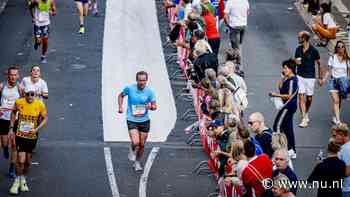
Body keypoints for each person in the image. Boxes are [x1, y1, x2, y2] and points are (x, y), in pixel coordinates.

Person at [8, 86, 48, 195]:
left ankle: (23, 179)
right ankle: (16, 182)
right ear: (24, 94)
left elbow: (45, 118)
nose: (30, 96)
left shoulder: (40, 104)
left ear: (35, 95)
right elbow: (13, 112)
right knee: (20, 160)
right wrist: (11, 128)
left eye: (32, 94)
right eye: (28, 94)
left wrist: (36, 129)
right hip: (20, 135)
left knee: (28, 162)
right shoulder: (19, 102)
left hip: (32, 137)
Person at [118, 71, 157, 171]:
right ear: (137, 80)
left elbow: (154, 106)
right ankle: (132, 149)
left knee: (142, 145)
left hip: (144, 120)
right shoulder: (130, 89)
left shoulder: (149, 92)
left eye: (144, 80)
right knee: (136, 142)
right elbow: (120, 95)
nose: (142, 82)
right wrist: (120, 107)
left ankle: (137, 162)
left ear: (146, 80)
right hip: (132, 119)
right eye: (140, 80)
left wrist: (150, 107)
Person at [270, 60, 298, 158]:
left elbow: (289, 96)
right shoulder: (287, 78)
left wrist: (275, 95)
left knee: (277, 126)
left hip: (288, 106)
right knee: (288, 128)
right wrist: (282, 78)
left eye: (285, 68)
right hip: (287, 105)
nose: (283, 70)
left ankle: (279, 149)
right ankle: (291, 150)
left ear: (291, 69)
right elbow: (280, 87)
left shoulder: (292, 80)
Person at [294, 31, 321, 128]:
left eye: (299, 37)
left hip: (310, 77)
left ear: (304, 38)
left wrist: (320, 77)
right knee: (301, 96)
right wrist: (296, 62)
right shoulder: (298, 49)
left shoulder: (314, 50)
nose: (298, 39)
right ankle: (304, 118)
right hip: (300, 76)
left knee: (309, 98)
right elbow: (296, 61)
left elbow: (319, 63)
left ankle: (306, 112)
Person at [320, 40, 350, 125]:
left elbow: (348, 73)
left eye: (342, 47)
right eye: (338, 47)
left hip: (343, 82)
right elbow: (329, 71)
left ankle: (335, 117)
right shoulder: (333, 57)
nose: (340, 48)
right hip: (333, 82)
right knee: (336, 101)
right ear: (336, 48)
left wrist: (347, 84)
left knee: (339, 101)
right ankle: (338, 120)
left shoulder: (347, 59)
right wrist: (324, 80)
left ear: (344, 48)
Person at [0, 66, 22, 178]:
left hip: (16, 119)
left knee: (14, 145)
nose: (13, 77)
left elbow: (25, 102)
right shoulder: (1, 86)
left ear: (18, 76)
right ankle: (4, 147)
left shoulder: (20, 88)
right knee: (5, 143)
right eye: (11, 74)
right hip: (3, 118)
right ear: (7, 75)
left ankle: (12, 167)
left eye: (15, 75)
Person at [332, 123, 350, 197]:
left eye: (335, 135)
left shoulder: (345, 150)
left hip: (345, 189)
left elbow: (347, 172)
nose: (334, 138)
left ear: (342, 134)